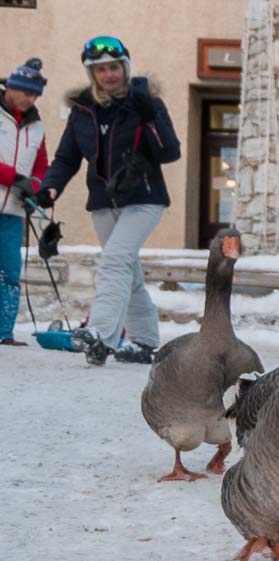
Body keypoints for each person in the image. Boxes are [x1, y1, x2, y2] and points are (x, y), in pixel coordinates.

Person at [37, 37, 181, 366]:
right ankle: (143, 341)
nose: (109, 74)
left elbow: (169, 152)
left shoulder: (146, 102)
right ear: (92, 73)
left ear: (125, 68)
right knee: (127, 269)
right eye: (100, 69)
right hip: (103, 202)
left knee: (115, 259)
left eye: (114, 67)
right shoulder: (82, 111)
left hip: (144, 198)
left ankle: (100, 334)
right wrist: (50, 187)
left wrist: (150, 118)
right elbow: (66, 158)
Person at [0, 57, 48, 347]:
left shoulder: (36, 126)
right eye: (27, 93)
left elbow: (41, 164)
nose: (31, 99)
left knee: (9, 272)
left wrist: (35, 186)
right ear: (10, 87)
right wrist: (15, 178)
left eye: (36, 95)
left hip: (13, 210)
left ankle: (3, 331)